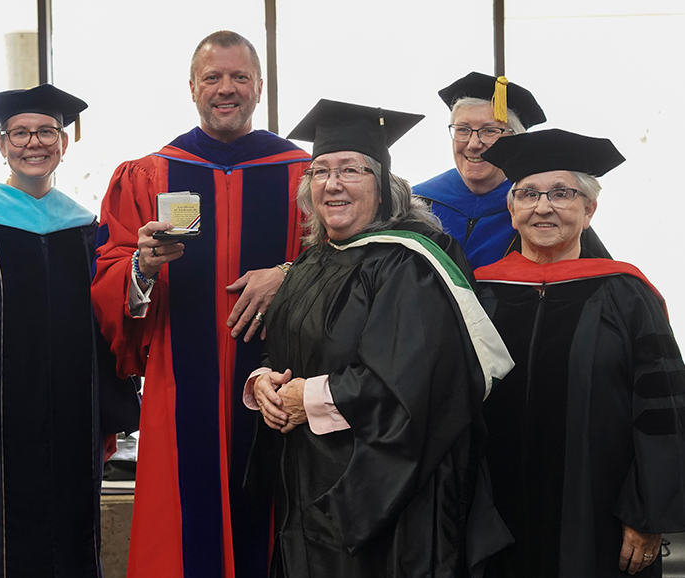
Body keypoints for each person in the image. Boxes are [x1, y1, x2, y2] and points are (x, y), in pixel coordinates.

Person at [245, 99, 515, 577]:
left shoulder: (408, 265)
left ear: (384, 186)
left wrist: (304, 397)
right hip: (306, 480)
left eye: (351, 169)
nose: (332, 183)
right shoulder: (311, 261)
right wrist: (265, 382)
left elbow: (411, 386)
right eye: (320, 171)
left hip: (383, 497)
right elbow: (289, 347)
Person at [91, 30, 310, 578]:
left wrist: (287, 274)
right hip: (179, 385)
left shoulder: (304, 173)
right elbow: (107, 275)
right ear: (192, 87)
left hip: (280, 383)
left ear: (260, 87)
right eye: (213, 77)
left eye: (240, 77)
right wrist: (141, 265)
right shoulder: (148, 173)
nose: (226, 89)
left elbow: (344, 260)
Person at [0, 84, 139, 578]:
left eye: (46, 131)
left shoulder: (84, 231)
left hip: (69, 436)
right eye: (19, 133)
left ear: (63, 142)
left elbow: (105, 328)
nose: (33, 143)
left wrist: (105, 415)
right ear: (2, 145)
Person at [474, 129, 685, 577]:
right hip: (493, 517)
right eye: (528, 194)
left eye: (562, 193)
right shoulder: (482, 293)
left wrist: (645, 514)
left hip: (600, 518)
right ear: (511, 210)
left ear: (589, 210)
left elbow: (662, 410)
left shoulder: (627, 296)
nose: (543, 206)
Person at [412, 71, 609, 268]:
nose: (473, 144)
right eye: (462, 129)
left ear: (516, 141)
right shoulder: (418, 203)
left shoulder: (539, 207)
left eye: (489, 131)